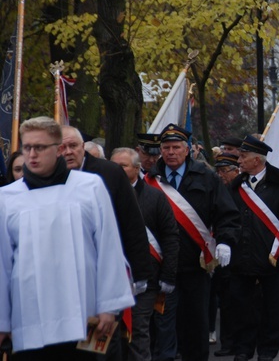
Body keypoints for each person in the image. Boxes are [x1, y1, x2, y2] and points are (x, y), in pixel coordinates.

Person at [0, 116, 134, 356]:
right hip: (29, 316)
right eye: (27, 147)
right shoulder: (7, 198)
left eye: (39, 147)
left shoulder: (90, 187)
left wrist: (109, 306)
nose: (31, 155)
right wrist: (2, 321)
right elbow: (2, 263)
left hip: (83, 312)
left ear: (58, 149)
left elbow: (108, 247)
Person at [146, 124, 239, 361]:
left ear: (187, 150)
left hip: (195, 265)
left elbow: (226, 214)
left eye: (176, 147)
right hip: (162, 266)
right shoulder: (150, 179)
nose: (171, 152)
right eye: (166, 147)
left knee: (196, 323)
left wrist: (225, 241)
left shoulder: (206, 177)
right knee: (163, 323)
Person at [61, 126, 152, 361]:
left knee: (102, 344)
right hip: (65, 279)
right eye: (62, 147)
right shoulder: (48, 177)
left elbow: (131, 222)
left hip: (105, 274)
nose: (68, 152)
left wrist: (140, 273)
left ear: (84, 148)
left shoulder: (109, 173)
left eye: (74, 146)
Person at [228, 134, 279, 361]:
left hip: (270, 257)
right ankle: (243, 349)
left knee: (270, 309)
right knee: (241, 308)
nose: (238, 161)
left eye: (243, 157)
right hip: (241, 256)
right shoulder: (236, 185)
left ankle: (267, 351)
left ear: (257, 160)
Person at [110, 147, 180, 361]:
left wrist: (168, 275)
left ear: (137, 168)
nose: (117, 170)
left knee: (138, 330)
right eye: (114, 165)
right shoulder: (101, 193)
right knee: (112, 334)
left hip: (146, 278)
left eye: (123, 165)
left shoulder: (154, 197)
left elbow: (170, 236)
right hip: (111, 278)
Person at [210, 152, 241, 355]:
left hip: (239, 251)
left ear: (235, 171)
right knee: (225, 301)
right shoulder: (215, 190)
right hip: (219, 251)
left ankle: (239, 343)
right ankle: (228, 342)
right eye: (218, 170)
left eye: (224, 170)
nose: (221, 174)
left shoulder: (241, 191)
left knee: (237, 301)